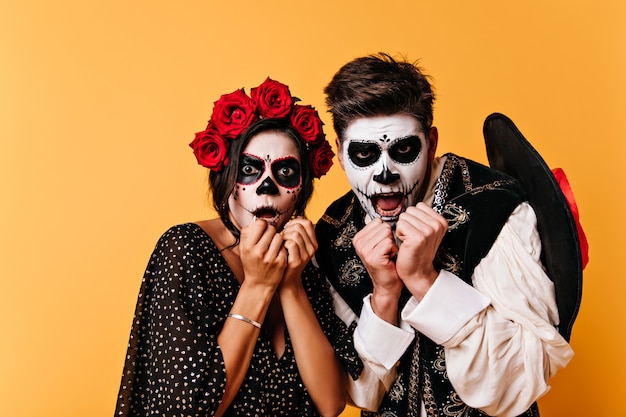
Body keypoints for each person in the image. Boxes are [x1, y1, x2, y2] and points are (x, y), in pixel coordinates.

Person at [314, 53, 575, 417]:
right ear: (341, 155)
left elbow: (513, 387)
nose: (384, 173)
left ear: (431, 143)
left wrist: (426, 280)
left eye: (404, 149)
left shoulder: (496, 207)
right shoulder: (333, 233)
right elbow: (362, 394)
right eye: (364, 154)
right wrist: (385, 294)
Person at [115, 77, 361, 417]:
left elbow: (330, 403)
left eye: (286, 171)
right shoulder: (186, 250)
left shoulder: (303, 260)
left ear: (302, 187)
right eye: (250, 169)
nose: (266, 188)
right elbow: (192, 409)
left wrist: (290, 285)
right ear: (227, 180)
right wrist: (258, 285)